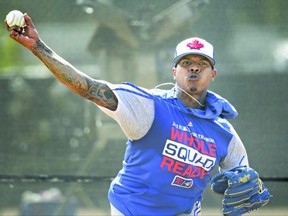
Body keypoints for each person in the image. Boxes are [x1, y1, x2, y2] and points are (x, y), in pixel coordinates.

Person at [5, 13, 251, 216]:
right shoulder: (148, 105)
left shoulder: (224, 133)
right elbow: (87, 87)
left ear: (213, 74)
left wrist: (240, 188)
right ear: (174, 71)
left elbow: (242, 185)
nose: (194, 67)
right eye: (186, 62)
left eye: (203, 63)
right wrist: (38, 47)